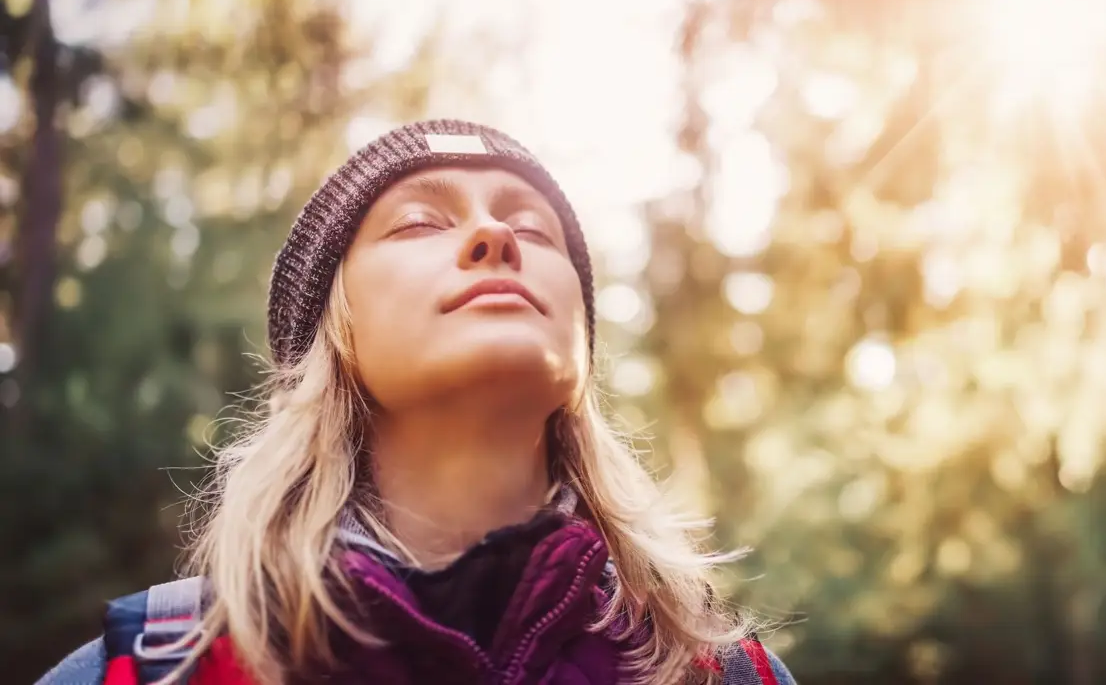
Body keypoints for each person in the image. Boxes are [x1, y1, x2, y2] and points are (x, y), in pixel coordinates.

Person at [37, 120, 795, 684]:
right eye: (420, 222)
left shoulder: (723, 674)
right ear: (333, 334)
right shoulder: (149, 668)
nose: (497, 234)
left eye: (534, 228)